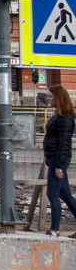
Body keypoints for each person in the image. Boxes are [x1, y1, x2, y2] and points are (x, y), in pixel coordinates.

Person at [43, 84, 76, 237]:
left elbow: (64, 143)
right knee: (65, 195)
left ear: (58, 98)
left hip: (59, 159)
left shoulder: (65, 118)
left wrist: (59, 165)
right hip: (54, 158)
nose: (47, 99)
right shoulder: (58, 115)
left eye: (50, 96)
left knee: (52, 193)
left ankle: (55, 229)